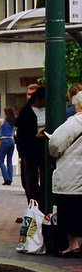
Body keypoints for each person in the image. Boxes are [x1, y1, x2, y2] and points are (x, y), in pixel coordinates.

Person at [47, 91, 82, 257]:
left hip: (72, 174)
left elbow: (55, 144)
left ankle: (72, 245)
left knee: (69, 209)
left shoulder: (73, 122)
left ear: (78, 105)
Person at [15, 85, 47, 212]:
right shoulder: (26, 112)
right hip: (30, 151)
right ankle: (34, 209)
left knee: (45, 182)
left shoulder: (49, 110)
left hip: (44, 151)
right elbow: (21, 134)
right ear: (38, 99)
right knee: (30, 183)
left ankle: (44, 208)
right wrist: (35, 137)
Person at [0, 107, 16, 185]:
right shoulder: (13, 121)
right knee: (9, 160)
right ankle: (10, 177)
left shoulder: (2, 120)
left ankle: (6, 178)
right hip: (11, 140)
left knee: (1, 160)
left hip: (4, 140)